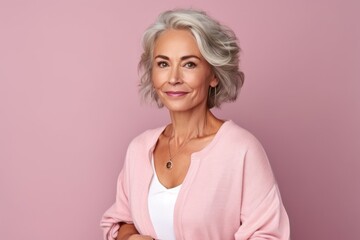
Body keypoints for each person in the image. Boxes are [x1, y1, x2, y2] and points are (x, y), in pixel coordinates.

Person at [101, 9, 290, 240]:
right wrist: (130, 238)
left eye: (189, 64)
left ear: (213, 75)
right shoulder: (139, 149)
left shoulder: (242, 150)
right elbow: (120, 222)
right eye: (163, 64)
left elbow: (268, 235)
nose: (173, 78)